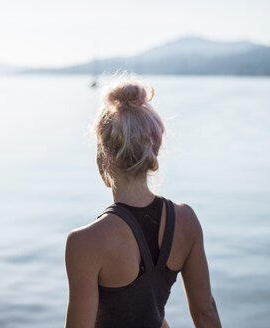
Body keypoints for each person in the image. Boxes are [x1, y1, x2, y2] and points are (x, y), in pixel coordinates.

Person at [65, 75, 222, 328]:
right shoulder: (186, 220)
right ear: (153, 149)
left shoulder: (85, 243)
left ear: (104, 155)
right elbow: (206, 314)